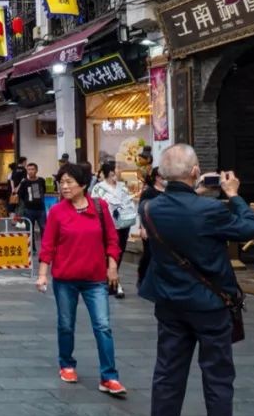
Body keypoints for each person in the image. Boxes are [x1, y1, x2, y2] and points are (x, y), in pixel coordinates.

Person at [140, 144, 254, 416]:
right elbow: (252, 228)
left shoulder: (149, 209)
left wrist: (198, 193)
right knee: (218, 382)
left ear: (162, 174)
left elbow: (176, 214)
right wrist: (233, 195)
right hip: (210, 307)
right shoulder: (209, 211)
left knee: (167, 377)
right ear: (195, 172)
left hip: (170, 305)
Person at [36, 162, 125, 396]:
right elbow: (48, 245)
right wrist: (42, 275)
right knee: (66, 324)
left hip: (95, 279)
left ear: (83, 184)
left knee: (103, 326)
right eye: (61, 182)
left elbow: (112, 240)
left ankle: (109, 377)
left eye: (69, 182)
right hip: (65, 279)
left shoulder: (99, 207)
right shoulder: (57, 212)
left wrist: (112, 267)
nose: (64, 187)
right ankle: (66, 364)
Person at [92, 162, 136, 299]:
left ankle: (114, 278)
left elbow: (129, 202)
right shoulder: (99, 188)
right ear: (110, 172)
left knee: (120, 251)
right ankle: (111, 281)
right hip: (107, 225)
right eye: (117, 169)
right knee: (110, 251)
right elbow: (96, 206)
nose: (119, 171)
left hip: (123, 223)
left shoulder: (123, 187)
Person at [136, 168, 164, 291]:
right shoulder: (149, 192)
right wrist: (142, 228)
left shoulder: (168, 192)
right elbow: (141, 211)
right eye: (163, 176)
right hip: (149, 227)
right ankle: (142, 277)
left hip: (163, 228)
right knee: (148, 254)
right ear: (157, 178)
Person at [18, 163, 48, 251]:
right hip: (28, 210)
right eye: (29, 169)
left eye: (32, 169)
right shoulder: (24, 182)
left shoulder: (41, 180)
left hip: (41, 209)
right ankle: (32, 249)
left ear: (36, 170)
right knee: (29, 230)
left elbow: (44, 190)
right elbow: (21, 195)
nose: (30, 171)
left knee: (44, 228)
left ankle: (45, 248)